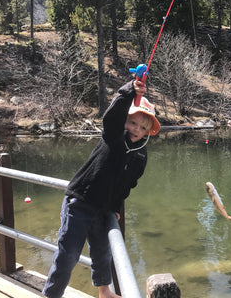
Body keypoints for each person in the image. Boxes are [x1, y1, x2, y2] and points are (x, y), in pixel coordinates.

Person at [43, 79, 161, 298]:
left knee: (103, 254)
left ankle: (104, 292)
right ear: (125, 120)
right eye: (133, 123)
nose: (137, 129)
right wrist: (129, 91)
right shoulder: (113, 136)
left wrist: (115, 206)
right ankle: (51, 294)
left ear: (148, 132)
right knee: (68, 255)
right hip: (79, 202)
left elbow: (128, 185)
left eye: (143, 127)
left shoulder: (141, 155)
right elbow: (111, 116)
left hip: (103, 209)